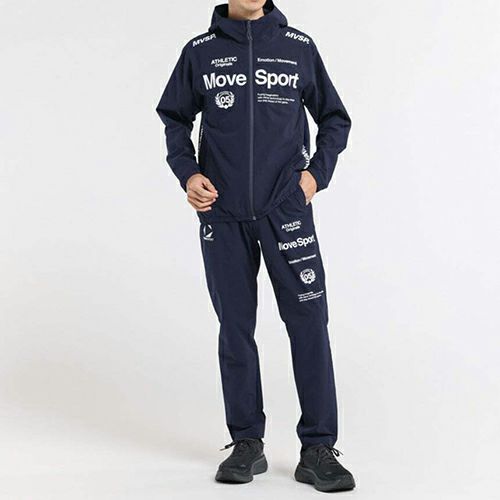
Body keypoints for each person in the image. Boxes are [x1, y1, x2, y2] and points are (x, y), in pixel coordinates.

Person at [157, 0, 354, 492]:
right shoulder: (200, 51)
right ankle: (247, 442)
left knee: (309, 322)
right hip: (221, 213)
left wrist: (314, 178)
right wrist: (189, 174)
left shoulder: (298, 47)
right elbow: (174, 118)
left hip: (286, 209)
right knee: (236, 327)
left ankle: (318, 448)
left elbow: (335, 119)